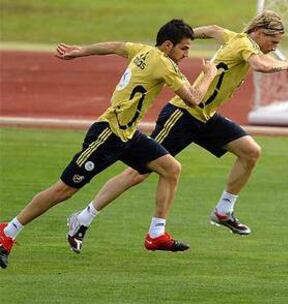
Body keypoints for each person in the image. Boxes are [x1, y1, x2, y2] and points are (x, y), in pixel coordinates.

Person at [64, 10, 288, 253]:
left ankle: (223, 211)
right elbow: (259, 65)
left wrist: (186, 36)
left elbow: (213, 29)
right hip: (183, 115)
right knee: (138, 173)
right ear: (258, 33)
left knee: (250, 151)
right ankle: (83, 218)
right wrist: (286, 64)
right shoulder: (244, 44)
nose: (273, 48)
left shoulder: (232, 37)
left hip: (205, 117)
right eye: (273, 42)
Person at [0, 19, 218, 269]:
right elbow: (194, 99)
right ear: (168, 45)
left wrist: (82, 51)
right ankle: (8, 230)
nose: (187, 54)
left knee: (171, 168)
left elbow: (115, 46)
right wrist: (209, 75)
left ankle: (156, 234)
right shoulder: (164, 64)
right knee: (65, 190)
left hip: (128, 135)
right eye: (184, 48)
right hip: (108, 134)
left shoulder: (142, 50)